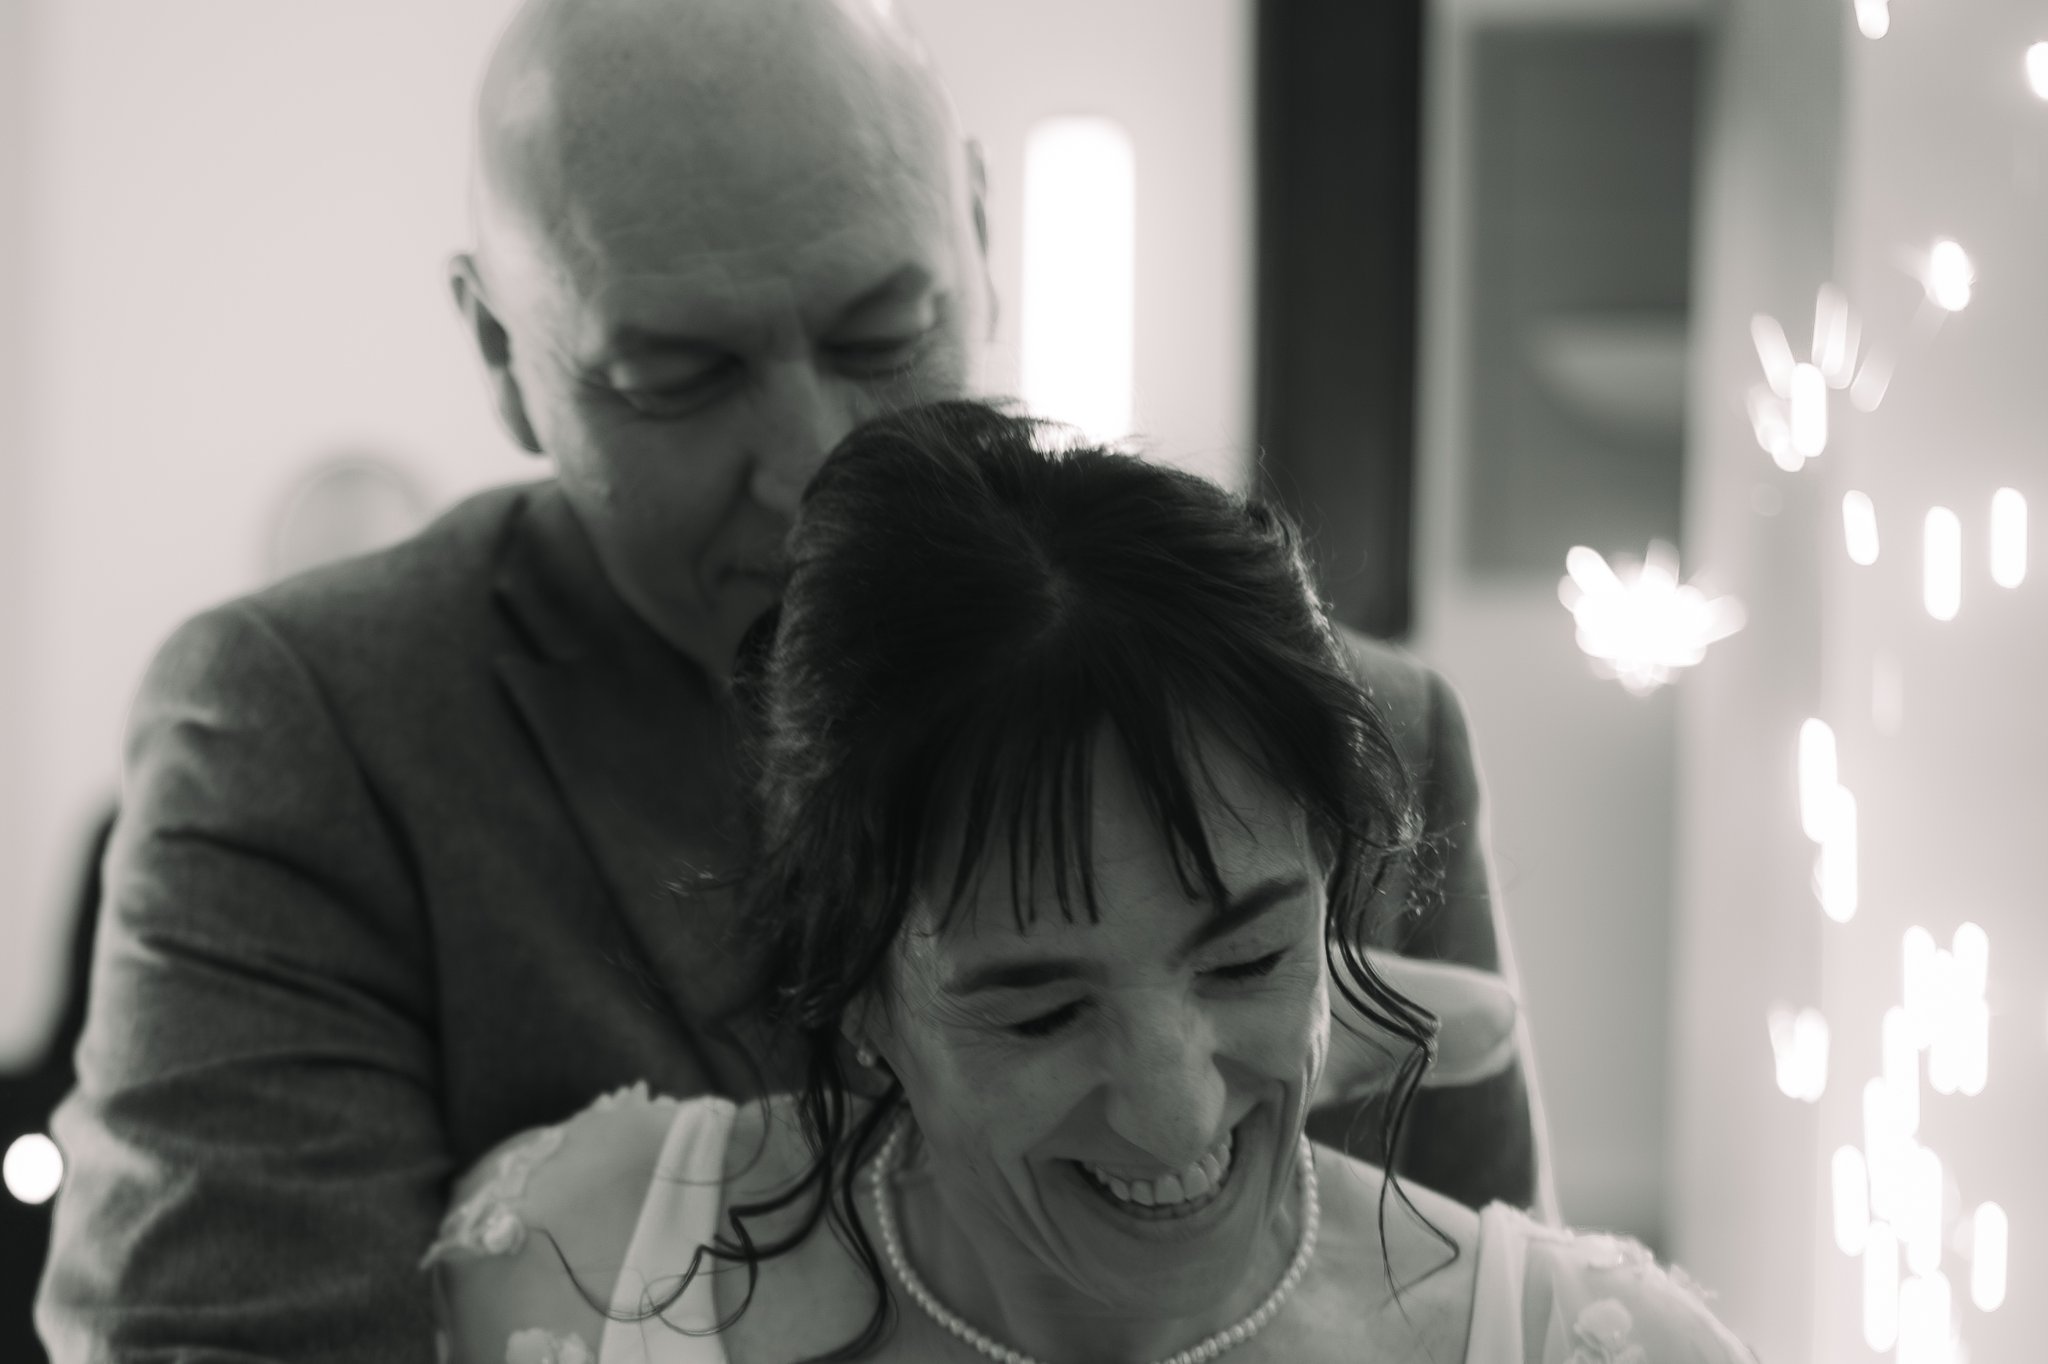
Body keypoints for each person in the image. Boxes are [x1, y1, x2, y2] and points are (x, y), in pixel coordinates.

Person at [38, 1, 1546, 1359]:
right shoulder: (311, 731)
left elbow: (1473, 1312)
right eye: (677, 378)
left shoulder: (1356, 727)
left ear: (981, 238)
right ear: (501, 349)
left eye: (883, 331)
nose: (816, 459)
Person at [427, 401, 1745, 1364]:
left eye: (1248, 959)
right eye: (1040, 1010)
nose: (1175, 1116)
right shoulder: (576, 1264)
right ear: (859, 995)